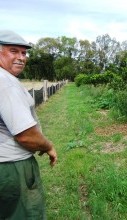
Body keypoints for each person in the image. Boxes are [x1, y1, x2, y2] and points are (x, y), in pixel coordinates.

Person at [0, 30, 57, 219]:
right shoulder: (5, 82)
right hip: (13, 167)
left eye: (24, 53)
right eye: (13, 51)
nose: (21, 58)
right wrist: (48, 146)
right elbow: (25, 135)